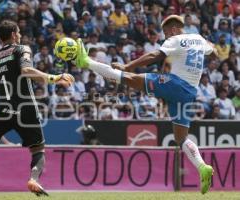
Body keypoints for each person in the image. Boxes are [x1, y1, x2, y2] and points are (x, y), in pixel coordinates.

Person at [74, 15, 217, 195]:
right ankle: (202, 167)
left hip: (175, 84)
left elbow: (155, 55)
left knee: (127, 78)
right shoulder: (199, 39)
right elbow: (213, 50)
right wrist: (210, 46)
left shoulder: (176, 39)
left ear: (173, 29)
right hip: (189, 93)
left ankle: (85, 62)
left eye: (165, 34)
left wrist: (129, 65)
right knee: (181, 139)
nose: (165, 38)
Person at [0, 20, 74, 197]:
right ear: (13, 34)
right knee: (38, 149)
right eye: (18, 32)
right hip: (25, 107)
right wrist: (55, 77)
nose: (20, 35)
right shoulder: (22, 49)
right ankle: (34, 179)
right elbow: (27, 71)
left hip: (2, 108)